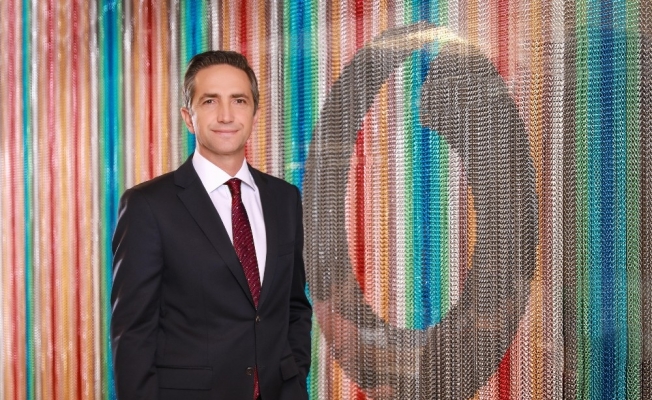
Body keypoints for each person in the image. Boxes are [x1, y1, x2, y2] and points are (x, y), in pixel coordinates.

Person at [110, 50, 312, 400]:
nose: (226, 115)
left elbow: (293, 306)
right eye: (209, 101)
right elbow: (133, 333)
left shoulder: (284, 198)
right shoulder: (148, 205)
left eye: (239, 100)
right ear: (188, 118)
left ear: (255, 114)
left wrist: (294, 377)